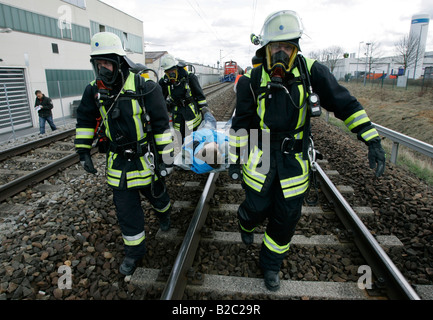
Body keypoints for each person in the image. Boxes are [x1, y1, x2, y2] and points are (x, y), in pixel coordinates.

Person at [228, 10, 386, 291]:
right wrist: (234, 160)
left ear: (296, 48)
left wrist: (371, 139)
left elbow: (344, 104)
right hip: (261, 155)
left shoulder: (311, 72)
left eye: (287, 47)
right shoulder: (252, 78)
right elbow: (241, 122)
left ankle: (270, 265)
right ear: (265, 48)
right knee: (255, 207)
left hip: (294, 159)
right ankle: (245, 222)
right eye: (276, 46)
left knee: (286, 218)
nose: (281, 53)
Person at [74, 32, 174, 276]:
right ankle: (134, 252)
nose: (103, 69)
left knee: (158, 198)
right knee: (127, 211)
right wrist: (83, 151)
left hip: (145, 160)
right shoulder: (93, 91)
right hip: (117, 162)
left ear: (119, 62)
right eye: (98, 65)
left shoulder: (144, 86)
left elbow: (161, 125)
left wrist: (166, 159)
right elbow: (86, 120)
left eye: (107, 63)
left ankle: (165, 214)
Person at [158, 54, 208, 142]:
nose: (171, 74)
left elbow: (200, 96)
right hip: (178, 116)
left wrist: (205, 111)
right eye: (168, 72)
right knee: (182, 141)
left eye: (172, 70)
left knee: (196, 141)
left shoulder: (190, 78)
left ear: (177, 68)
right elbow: (160, 98)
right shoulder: (165, 82)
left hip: (192, 115)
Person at [174, 107, 229, 174]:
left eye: (207, 144)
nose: (217, 145)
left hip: (206, 134)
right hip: (219, 136)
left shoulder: (187, 152)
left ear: (200, 151)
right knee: (230, 126)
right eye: (216, 146)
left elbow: (193, 136)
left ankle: (207, 113)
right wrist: (221, 133)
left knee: (209, 124)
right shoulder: (223, 150)